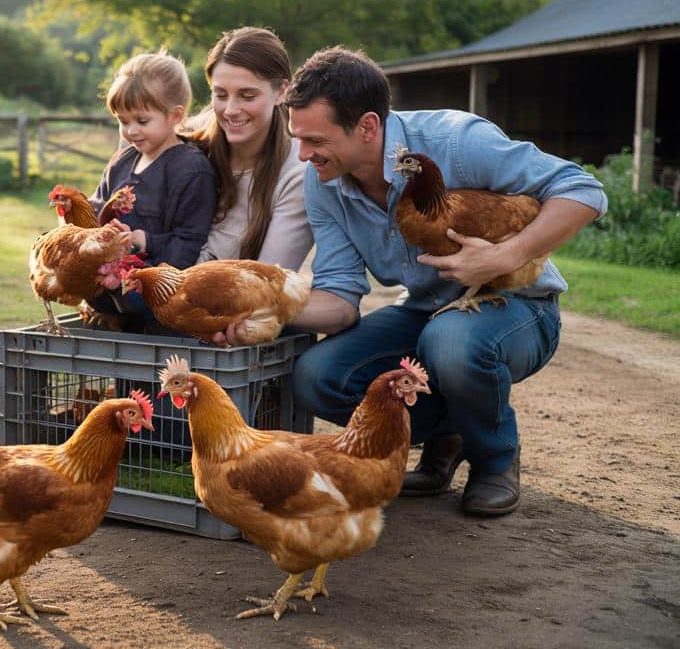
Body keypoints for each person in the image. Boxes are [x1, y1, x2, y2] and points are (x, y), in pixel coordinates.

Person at [220, 46, 606, 516]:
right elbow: (339, 299)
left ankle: (494, 458)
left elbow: (583, 190)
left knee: (451, 343)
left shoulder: (456, 141)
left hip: (518, 304)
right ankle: (451, 430)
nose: (303, 154)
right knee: (317, 377)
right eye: (297, 138)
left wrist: (502, 256)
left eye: (316, 140)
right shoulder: (322, 182)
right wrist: (261, 310)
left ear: (367, 126)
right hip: (426, 309)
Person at [87, 50, 216, 325]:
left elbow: (188, 244)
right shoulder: (122, 161)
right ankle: (111, 314)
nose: (131, 131)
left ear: (175, 115)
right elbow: (96, 209)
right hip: (109, 278)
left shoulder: (191, 169)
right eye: (123, 121)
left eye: (142, 121)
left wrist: (142, 240)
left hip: (155, 291)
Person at [186, 27, 312, 270]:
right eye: (221, 95)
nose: (230, 110)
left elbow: (269, 280)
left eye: (247, 96)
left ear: (281, 92)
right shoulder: (183, 146)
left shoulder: (297, 174)